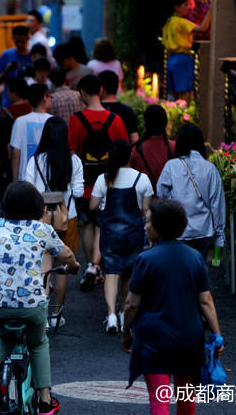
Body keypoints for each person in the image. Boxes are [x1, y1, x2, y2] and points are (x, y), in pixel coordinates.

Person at [0, 181, 79, 415]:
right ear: (37, 205)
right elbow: (67, 254)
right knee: (38, 342)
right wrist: (74, 266)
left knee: (3, 333)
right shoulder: (41, 229)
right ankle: (45, 398)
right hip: (31, 304)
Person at [121, 198, 225, 415]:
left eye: (148, 221)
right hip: (189, 338)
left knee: (159, 402)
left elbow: (132, 303)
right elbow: (206, 300)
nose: (145, 225)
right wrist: (217, 335)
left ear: (159, 226)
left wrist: (126, 331)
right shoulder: (195, 258)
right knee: (187, 402)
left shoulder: (146, 259)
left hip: (154, 338)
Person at [68, 75, 128, 291]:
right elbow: (123, 153)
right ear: (100, 91)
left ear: (83, 93)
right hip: (109, 183)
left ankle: (90, 267)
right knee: (103, 226)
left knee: (87, 225)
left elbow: (72, 152)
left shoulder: (76, 120)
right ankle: (98, 266)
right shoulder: (116, 120)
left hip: (85, 185)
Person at [24, 117, 84, 327]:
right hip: (68, 218)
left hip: (41, 219)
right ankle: (56, 315)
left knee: (44, 264)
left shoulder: (36, 160)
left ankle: (40, 314)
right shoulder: (74, 161)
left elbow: (28, 190)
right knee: (62, 267)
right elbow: (78, 191)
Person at [89, 140, 153, 334]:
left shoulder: (104, 179)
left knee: (111, 273)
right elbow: (146, 210)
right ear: (130, 156)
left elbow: (92, 206)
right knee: (128, 274)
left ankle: (111, 316)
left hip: (110, 233)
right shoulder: (142, 179)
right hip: (133, 233)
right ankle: (125, 315)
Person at [157, 123, 225, 260]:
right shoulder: (210, 169)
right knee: (198, 270)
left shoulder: (171, 166)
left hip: (177, 230)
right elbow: (217, 205)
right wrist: (219, 235)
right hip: (203, 230)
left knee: (178, 271)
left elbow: (161, 195)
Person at [162, 0, 210, 101]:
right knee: (184, 95)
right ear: (176, 7)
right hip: (182, 59)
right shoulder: (181, 22)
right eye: (185, 5)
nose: (188, 7)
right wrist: (211, 10)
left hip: (171, 59)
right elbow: (203, 28)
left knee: (174, 96)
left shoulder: (169, 22)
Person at [10, 84, 52, 182]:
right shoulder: (53, 121)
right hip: (48, 178)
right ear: (45, 98)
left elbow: (16, 153)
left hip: (26, 180)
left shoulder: (20, 121)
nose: (51, 99)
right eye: (50, 96)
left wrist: (15, 180)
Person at [130, 105, 176, 195]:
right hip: (170, 204)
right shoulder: (174, 147)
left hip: (144, 204)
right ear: (165, 122)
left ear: (145, 123)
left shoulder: (136, 150)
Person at [0, 26, 32, 106]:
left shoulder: (32, 56)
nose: (19, 45)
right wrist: (7, 69)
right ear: (13, 39)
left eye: (22, 41)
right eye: (17, 41)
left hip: (28, 101)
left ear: (27, 38)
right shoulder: (6, 55)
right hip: (9, 101)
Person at [99, 70, 139, 143]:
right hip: (122, 153)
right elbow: (134, 139)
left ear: (101, 88)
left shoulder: (95, 110)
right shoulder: (127, 111)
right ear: (117, 87)